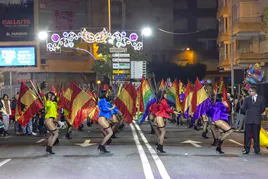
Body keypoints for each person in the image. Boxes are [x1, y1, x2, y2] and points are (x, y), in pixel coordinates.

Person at [241, 85, 266, 155]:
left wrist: (256, 113)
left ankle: (257, 149)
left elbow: (262, 108)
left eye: (250, 91)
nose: (249, 93)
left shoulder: (261, 99)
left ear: (254, 91)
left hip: (257, 119)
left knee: (256, 135)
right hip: (248, 119)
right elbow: (243, 108)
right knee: (247, 135)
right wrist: (248, 112)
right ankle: (246, 149)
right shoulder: (247, 99)